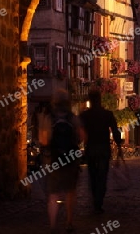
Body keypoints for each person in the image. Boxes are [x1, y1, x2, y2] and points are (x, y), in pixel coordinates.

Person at [80, 88, 122, 214]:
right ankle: (99, 201)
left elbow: (78, 131)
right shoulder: (107, 114)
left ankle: (95, 199)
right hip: (103, 149)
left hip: (91, 148)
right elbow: (115, 131)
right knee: (102, 176)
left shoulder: (85, 115)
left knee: (93, 175)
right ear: (99, 99)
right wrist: (119, 143)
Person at [46, 90, 82, 233]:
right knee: (70, 192)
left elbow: (43, 139)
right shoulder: (72, 118)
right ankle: (69, 222)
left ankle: (53, 224)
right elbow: (82, 136)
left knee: (53, 193)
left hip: (54, 159)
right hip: (70, 160)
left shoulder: (50, 118)